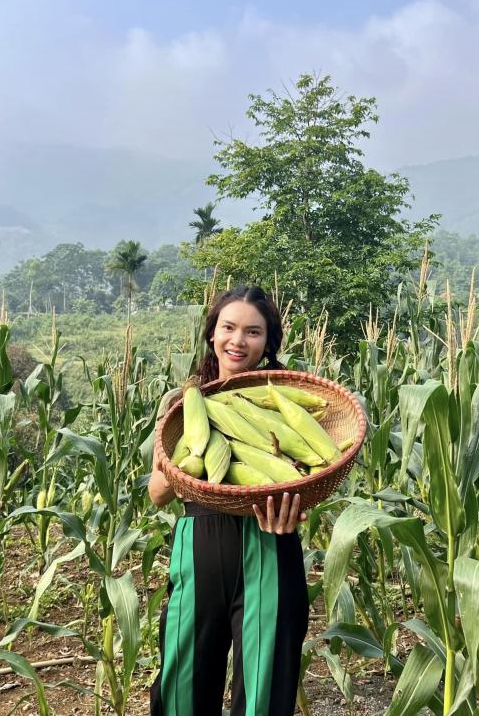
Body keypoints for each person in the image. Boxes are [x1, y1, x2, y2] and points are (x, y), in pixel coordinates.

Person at [148, 285, 309, 716]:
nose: (238, 340)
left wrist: (294, 508)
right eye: (229, 328)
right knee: (182, 685)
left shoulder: (284, 399)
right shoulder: (181, 404)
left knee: (263, 693)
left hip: (270, 544)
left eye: (253, 332)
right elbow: (157, 494)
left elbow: (308, 478)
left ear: (268, 343)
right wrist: (186, 460)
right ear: (212, 334)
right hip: (199, 546)